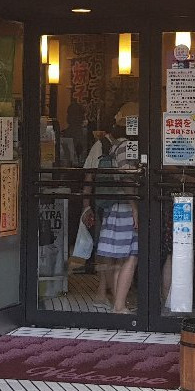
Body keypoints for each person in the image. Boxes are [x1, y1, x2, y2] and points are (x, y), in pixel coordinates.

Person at [81, 111, 139, 314]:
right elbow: (126, 176)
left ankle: (118, 303)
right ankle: (119, 304)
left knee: (119, 257)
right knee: (129, 256)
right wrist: (135, 206)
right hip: (124, 207)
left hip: (113, 205)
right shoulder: (126, 146)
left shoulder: (113, 146)